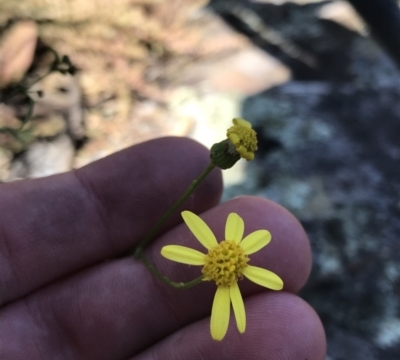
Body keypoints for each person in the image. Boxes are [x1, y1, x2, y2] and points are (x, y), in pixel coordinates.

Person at [0, 137, 326, 359]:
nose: (230, 261)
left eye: (231, 262)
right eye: (229, 260)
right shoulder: (216, 255)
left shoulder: (227, 264)